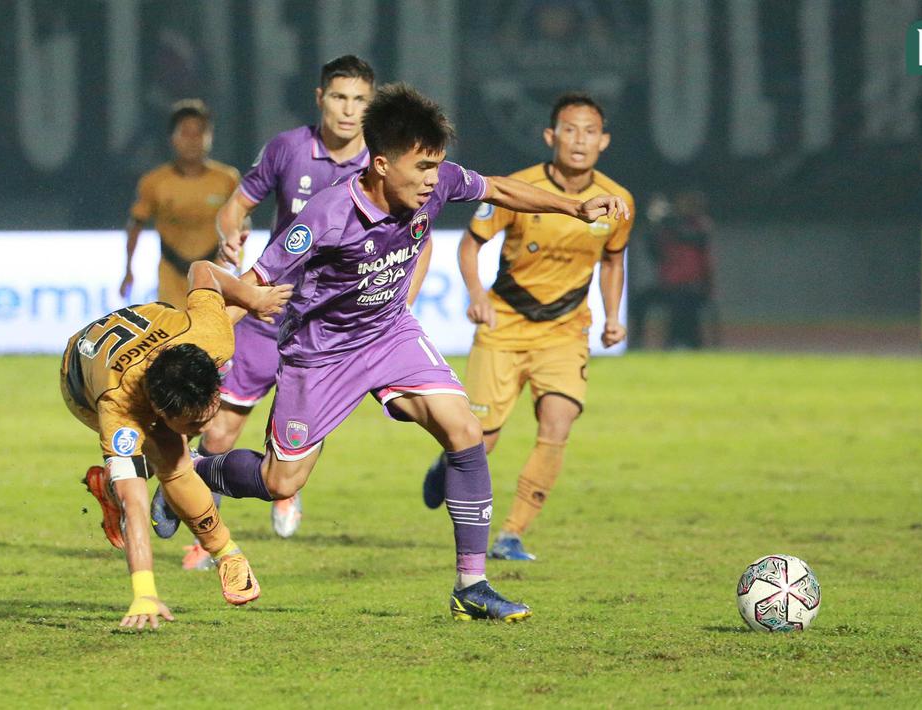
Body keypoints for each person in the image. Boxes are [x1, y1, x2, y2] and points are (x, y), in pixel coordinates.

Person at [169, 83, 628, 621]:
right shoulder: (326, 215)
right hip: (321, 355)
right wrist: (203, 340)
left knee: (465, 431)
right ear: (381, 164)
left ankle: (472, 586)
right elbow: (248, 284)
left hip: (389, 334)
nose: (434, 179)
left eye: (437, 165)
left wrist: (574, 207)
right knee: (280, 482)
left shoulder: (436, 183)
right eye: (423, 168)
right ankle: (194, 469)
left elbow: (500, 189)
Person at [171, 55, 375, 554]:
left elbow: (417, 234)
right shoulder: (288, 149)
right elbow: (238, 205)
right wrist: (231, 238)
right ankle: (205, 532)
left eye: (359, 100)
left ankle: (285, 488)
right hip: (269, 308)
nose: (348, 111)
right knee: (218, 427)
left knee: (299, 426)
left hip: (333, 321)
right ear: (320, 98)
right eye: (339, 97)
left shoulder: (382, 162)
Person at [421, 93, 635, 563]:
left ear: (604, 140)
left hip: (564, 330)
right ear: (550, 136)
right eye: (570, 129)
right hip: (505, 326)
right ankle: (446, 463)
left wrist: (613, 316)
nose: (579, 140)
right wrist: (476, 296)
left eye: (589, 131)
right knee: (480, 439)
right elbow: (471, 246)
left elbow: (614, 262)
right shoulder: (518, 190)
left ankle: (512, 534)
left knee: (558, 422)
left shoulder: (618, 202)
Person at [61, 260, 292, 629]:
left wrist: (253, 299)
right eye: (191, 423)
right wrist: (144, 591)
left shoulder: (212, 338)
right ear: (158, 410)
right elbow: (135, 507)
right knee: (172, 461)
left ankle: (107, 484)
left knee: (174, 454)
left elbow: (203, 269)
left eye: (207, 413)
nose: (206, 426)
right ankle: (226, 552)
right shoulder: (119, 409)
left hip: (160, 328)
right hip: (82, 379)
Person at [120, 100, 239, 309]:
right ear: (172, 138)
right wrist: (128, 270)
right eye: (185, 133)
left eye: (199, 133)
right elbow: (135, 224)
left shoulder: (227, 179)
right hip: (171, 276)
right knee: (174, 337)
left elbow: (239, 224)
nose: (192, 141)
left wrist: (236, 266)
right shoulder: (155, 182)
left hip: (214, 273)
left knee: (212, 336)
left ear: (210, 137)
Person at [630, 190, 714, 350]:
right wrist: (652, 224)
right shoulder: (668, 228)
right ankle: (637, 342)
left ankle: (679, 344)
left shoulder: (700, 225)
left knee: (681, 302)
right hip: (669, 286)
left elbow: (691, 237)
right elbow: (654, 254)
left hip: (695, 286)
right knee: (640, 300)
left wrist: (666, 220)